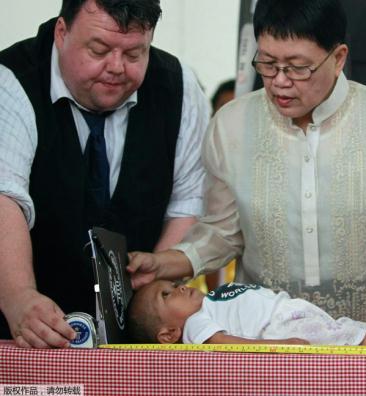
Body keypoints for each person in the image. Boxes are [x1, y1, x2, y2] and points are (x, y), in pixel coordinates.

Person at [128, 0, 366, 330]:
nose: (279, 81)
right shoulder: (232, 124)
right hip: (262, 341)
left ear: (338, 58)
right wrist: (164, 263)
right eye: (267, 63)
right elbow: (222, 233)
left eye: (297, 67)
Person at [0, 0, 209, 348]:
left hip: (132, 341)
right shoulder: (12, 81)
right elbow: (5, 197)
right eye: (98, 50)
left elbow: (188, 204)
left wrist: (151, 293)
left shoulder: (179, 88)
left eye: (134, 54)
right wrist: (18, 295)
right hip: (17, 330)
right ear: (62, 32)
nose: (116, 68)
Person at [127, 279, 366, 347]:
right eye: (166, 295)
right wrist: (278, 346)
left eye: (173, 284)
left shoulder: (208, 302)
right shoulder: (193, 325)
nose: (178, 288)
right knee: (348, 335)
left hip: (290, 316)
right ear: (168, 334)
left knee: (349, 329)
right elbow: (227, 347)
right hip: (279, 330)